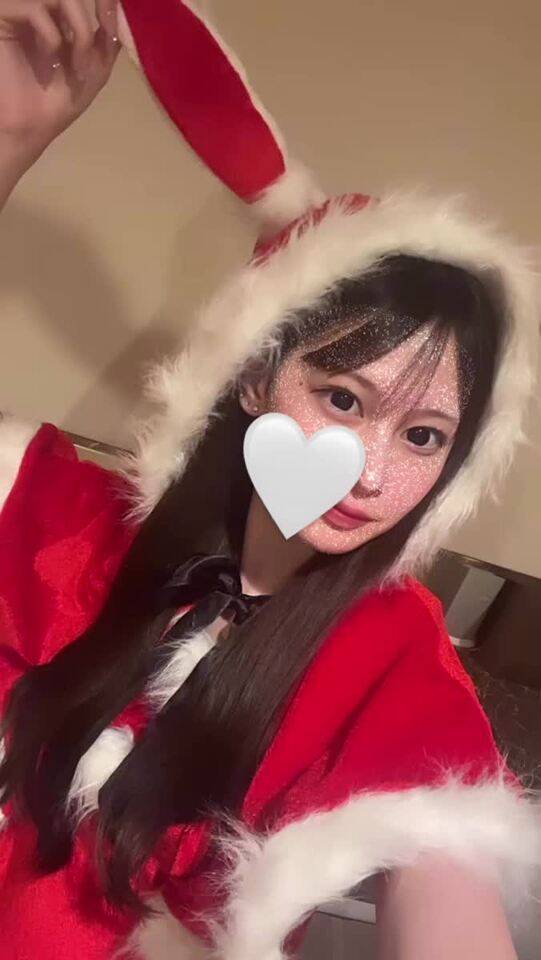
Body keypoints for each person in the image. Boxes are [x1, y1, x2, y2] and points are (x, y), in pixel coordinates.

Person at [0, 2, 539, 959]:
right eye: (340, 398)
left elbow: (443, 874)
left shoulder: (389, 652)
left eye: (422, 435)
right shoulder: (70, 523)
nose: (368, 471)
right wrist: (12, 140)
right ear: (253, 374)